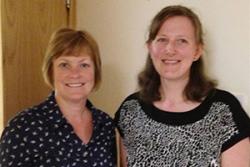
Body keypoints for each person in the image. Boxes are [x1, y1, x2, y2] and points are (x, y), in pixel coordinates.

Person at [114, 5, 250, 167]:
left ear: (197, 51)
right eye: (162, 39)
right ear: (150, 47)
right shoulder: (130, 111)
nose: (170, 49)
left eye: (182, 41)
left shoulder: (224, 111)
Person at [0, 28, 117, 166]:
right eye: (64, 65)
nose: (75, 74)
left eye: (84, 65)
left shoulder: (106, 125)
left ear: (95, 71)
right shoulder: (21, 129)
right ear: (51, 70)